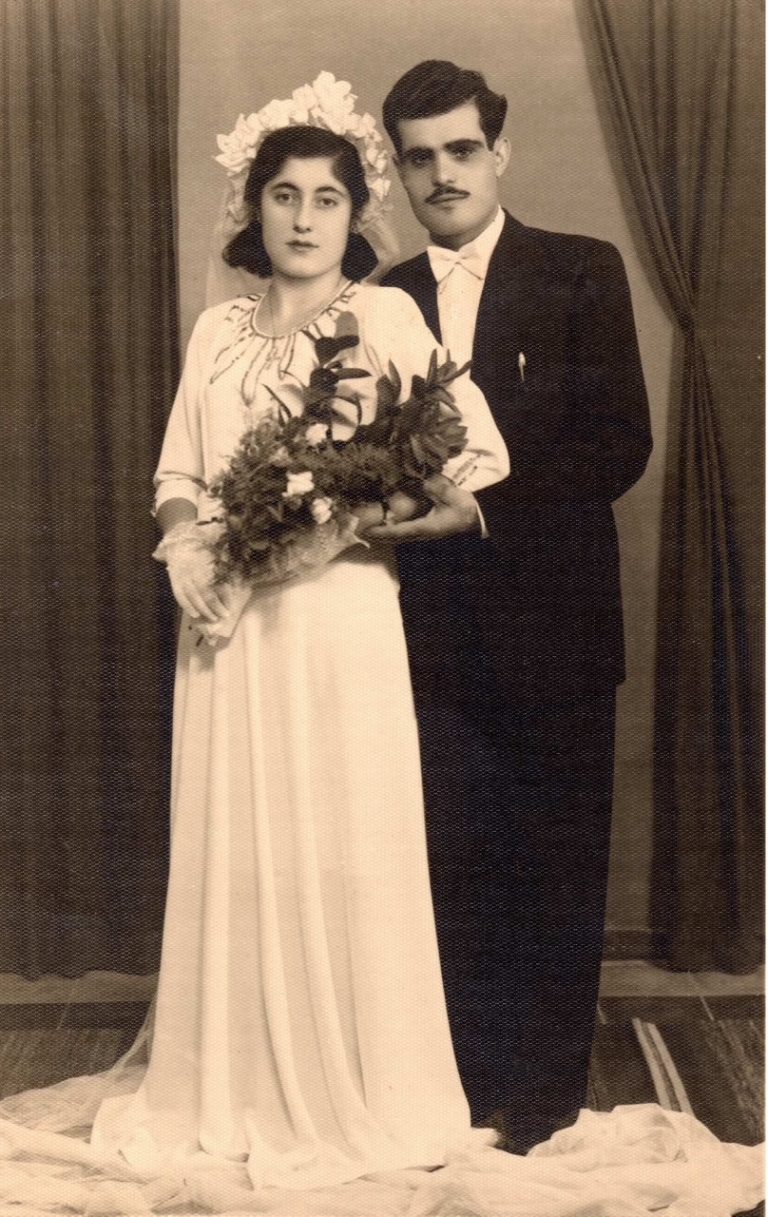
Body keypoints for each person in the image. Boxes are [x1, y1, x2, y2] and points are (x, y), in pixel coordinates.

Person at [0, 77, 761, 1217]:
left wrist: (355, 520)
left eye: (328, 196)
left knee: (472, 862)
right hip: (275, 633)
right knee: (347, 858)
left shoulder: (471, 294)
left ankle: (515, 1103)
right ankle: (261, 1077)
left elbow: (548, 453)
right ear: (257, 205)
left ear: (488, 155)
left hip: (437, 619)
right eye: (285, 195)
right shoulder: (262, 319)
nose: (306, 216)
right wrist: (193, 545)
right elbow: (181, 470)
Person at [372, 59, 654, 1151]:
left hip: (559, 628)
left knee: (556, 867)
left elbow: (619, 444)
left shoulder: (582, 269)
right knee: (451, 865)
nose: (442, 173)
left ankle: (542, 1102)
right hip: (427, 635)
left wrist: (481, 507)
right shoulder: (383, 294)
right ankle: (463, 1088)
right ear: (398, 171)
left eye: (461, 150)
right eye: (419, 157)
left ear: (500, 153)